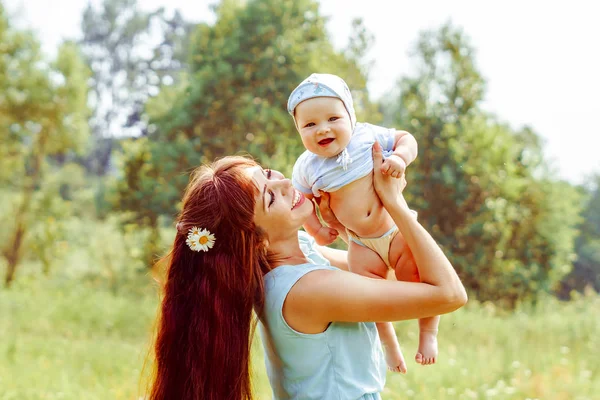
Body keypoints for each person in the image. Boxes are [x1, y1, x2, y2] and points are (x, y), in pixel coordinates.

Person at [147, 145, 467, 400]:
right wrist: (394, 203)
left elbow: (387, 271)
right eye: (271, 197)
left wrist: (350, 226)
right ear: (255, 240)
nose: (286, 184)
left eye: (269, 173)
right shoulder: (308, 290)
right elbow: (448, 294)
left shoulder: (291, 259)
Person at [288, 72, 438, 372]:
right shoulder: (306, 165)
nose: (322, 129)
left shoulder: (367, 136)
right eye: (309, 124)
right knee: (371, 295)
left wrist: (400, 159)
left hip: (395, 230)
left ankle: (428, 334)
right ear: (299, 131)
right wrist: (316, 229)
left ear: (350, 116)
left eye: (333, 118)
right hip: (359, 242)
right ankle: (390, 345)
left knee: (418, 279)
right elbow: (301, 201)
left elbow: (406, 139)